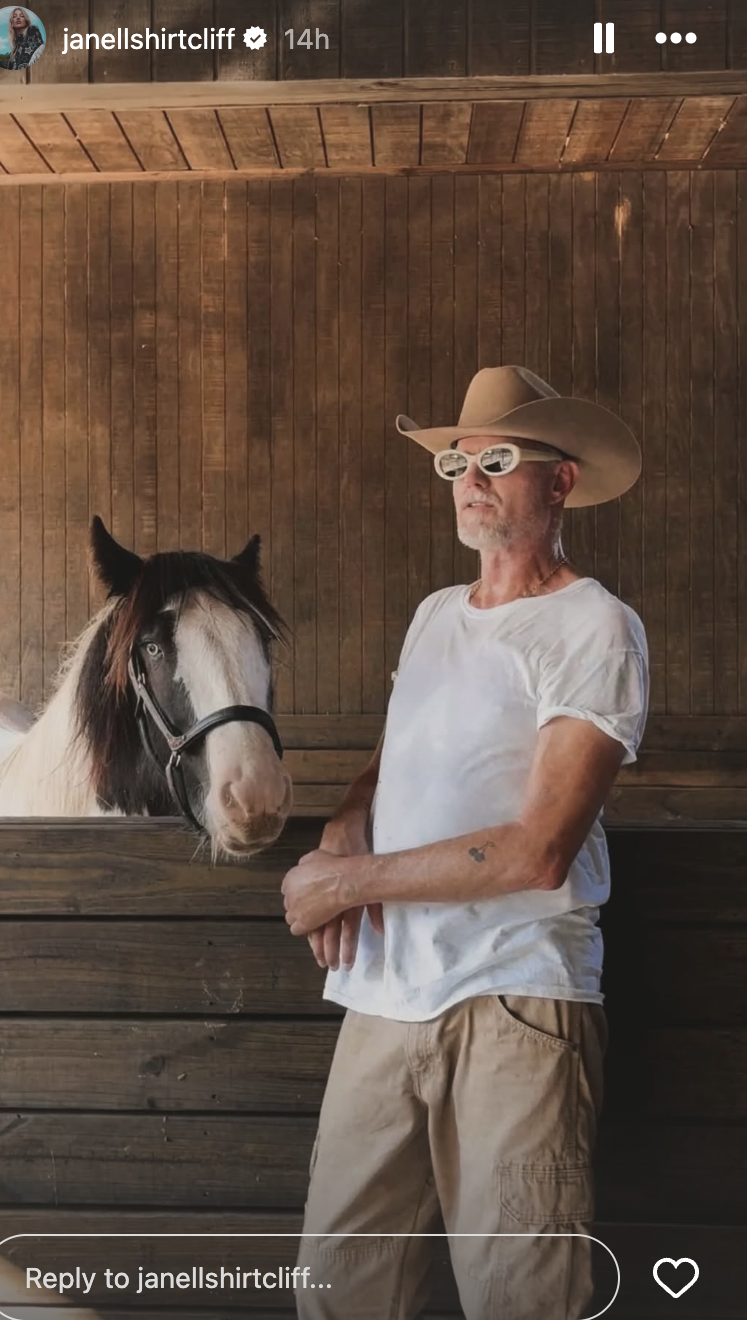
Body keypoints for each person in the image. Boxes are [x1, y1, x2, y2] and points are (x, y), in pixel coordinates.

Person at [281, 365, 649, 1320]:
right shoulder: (435, 615)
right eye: (455, 459)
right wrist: (342, 827)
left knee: (521, 1295)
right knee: (337, 1291)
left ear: (560, 481)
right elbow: (395, 757)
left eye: (496, 458)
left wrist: (344, 881)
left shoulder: (594, 625)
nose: (469, 477)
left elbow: (538, 852)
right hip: (383, 993)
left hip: (518, 999)